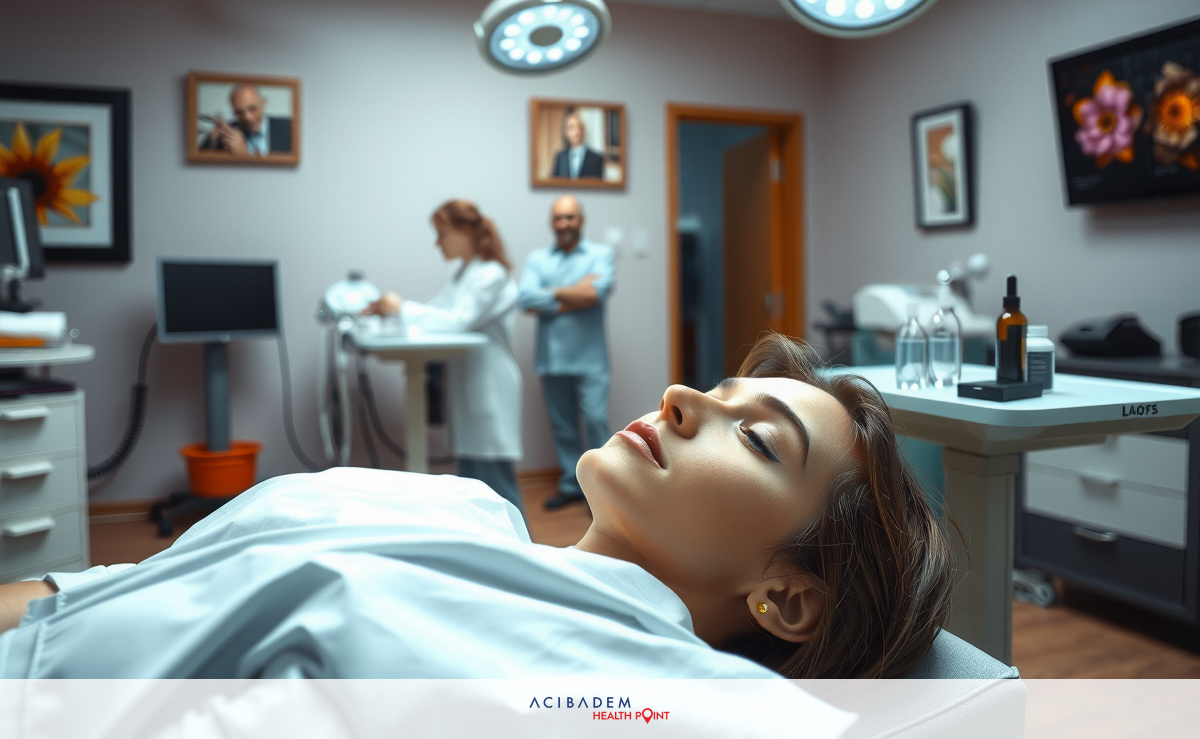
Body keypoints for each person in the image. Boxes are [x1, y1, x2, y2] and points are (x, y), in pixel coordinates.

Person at [0, 333, 951, 679]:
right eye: (714, 388)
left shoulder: (646, 689)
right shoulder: (456, 507)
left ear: (785, 596)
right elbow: (84, 593)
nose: (679, 398)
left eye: (756, 437)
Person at [364, 199, 523, 512]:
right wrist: (393, 312)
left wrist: (402, 308)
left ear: (465, 230)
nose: (437, 243)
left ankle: (526, 553)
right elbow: (437, 313)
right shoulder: (460, 272)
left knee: (498, 487)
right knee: (472, 485)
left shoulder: (491, 275)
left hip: (490, 388)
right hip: (469, 387)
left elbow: (455, 322)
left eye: (441, 233)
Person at [517, 196, 614, 510]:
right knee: (563, 427)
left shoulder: (601, 254)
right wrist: (572, 292)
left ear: (581, 220)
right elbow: (524, 300)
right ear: (552, 222)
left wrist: (550, 297)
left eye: (570, 217)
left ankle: (603, 490)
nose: (565, 224)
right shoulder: (538, 258)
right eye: (559, 218)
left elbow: (594, 294)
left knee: (596, 420)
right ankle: (572, 485)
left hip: (591, 358)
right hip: (552, 358)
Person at [199, 84, 293, 157]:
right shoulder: (226, 134)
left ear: (263, 103)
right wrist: (211, 141)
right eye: (239, 112)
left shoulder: (290, 128)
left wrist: (244, 156)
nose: (248, 117)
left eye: (252, 109)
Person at [550, 111, 605, 179]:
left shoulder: (596, 159)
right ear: (566, 132)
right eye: (571, 127)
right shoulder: (560, 157)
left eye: (579, 126)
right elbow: (553, 183)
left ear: (583, 130)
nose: (576, 132)